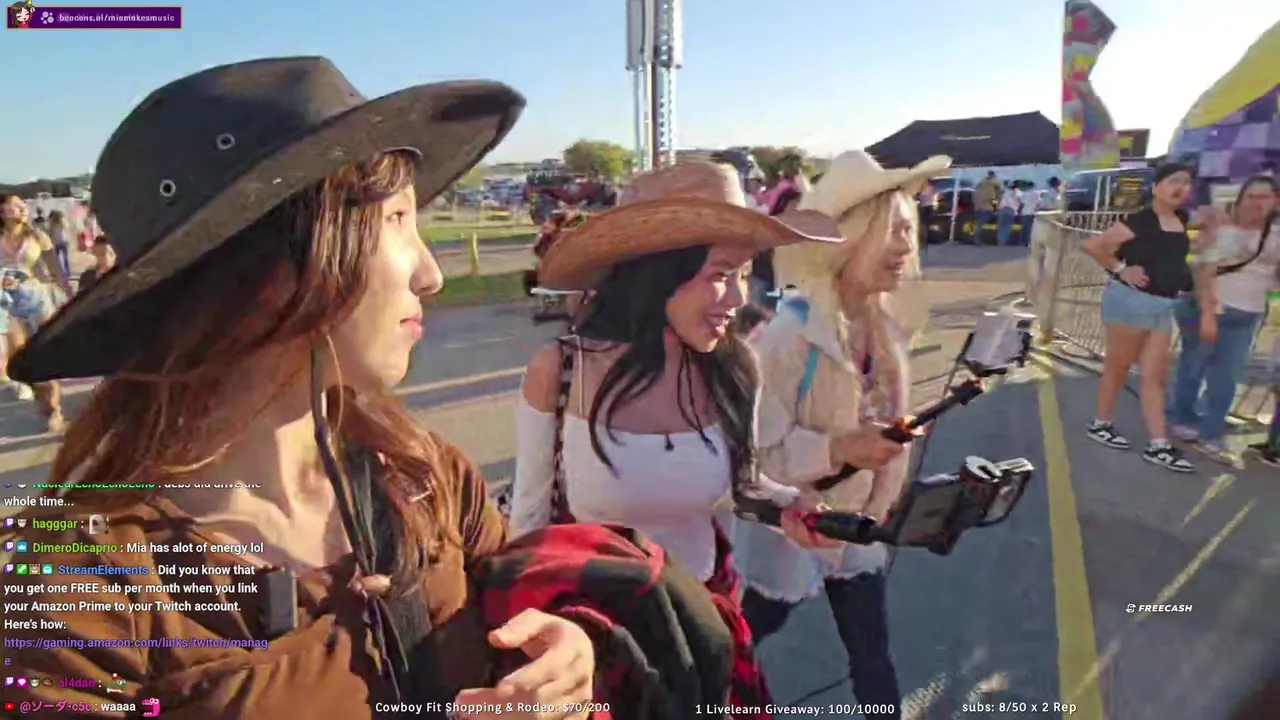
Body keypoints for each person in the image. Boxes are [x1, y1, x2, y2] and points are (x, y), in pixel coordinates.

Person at [0, 57, 604, 720]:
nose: (430, 274)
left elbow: (519, 614)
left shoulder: (421, 475)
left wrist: (561, 654)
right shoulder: (73, 588)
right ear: (267, 270)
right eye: (396, 220)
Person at [510, 161, 845, 717]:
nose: (738, 299)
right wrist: (530, 645)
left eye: (744, 274)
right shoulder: (561, 369)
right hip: (596, 642)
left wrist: (791, 506)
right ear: (660, 271)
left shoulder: (737, 367)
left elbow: (742, 487)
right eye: (720, 274)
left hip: (705, 625)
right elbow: (529, 523)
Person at [731, 149, 946, 718]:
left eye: (909, 229)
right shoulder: (789, 334)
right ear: (849, 239)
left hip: (857, 529)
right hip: (794, 529)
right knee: (743, 637)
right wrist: (841, 448)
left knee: (872, 654)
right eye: (890, 230)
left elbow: (888, 433)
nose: (905, 246)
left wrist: (883, 502)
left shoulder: (884, 326)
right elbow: (757, 456)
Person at [1082, 163, 1197, 472]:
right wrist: (1121, 269)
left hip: (1163, 305)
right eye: (1173, 181)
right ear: (1156, 187)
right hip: (1131, 303)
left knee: (1154, 375)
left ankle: (1158, 444)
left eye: (1186, 183)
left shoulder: (1181, 219)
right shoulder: (1141, 220)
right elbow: (1092, 245)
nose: (1180, 188)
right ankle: (1101, 424)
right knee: (1118, 366)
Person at [1170, 175, 1279, 462]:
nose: (1257, 203)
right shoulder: (1223, 227)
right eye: (1251, 196)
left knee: (1226, 376)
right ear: (1240, 199)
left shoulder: (1275, 234)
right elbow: (1203, 272)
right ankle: (1184, 418)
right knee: (1193, 366)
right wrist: (1208, 314)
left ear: (1275, 201)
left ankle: (1210, 433)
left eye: (1265, 197)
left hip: (1247, 314)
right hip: (1206, 308)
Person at [0, 193, 70, 430]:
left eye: (23, 205)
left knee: (43, 355)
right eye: (16, 205)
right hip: (5, 304)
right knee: (18, 359)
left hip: (35, 299)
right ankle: (40, 399)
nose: (23, 208)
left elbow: (55, 269)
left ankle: (53, 409)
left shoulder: (38, 236)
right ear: (2, 211)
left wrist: (69, 294)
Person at [972, 171, 1002, 244]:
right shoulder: (993, 186)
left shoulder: (981, 184)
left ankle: (976, 239)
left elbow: (975, 196)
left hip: (979, 207)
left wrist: (977, 206)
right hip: (988, 208)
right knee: (983, 223)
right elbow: (993, 198)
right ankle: (978, 240)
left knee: (979, 223)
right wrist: (995, 209)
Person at [46, 209, 73, 277]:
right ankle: (65, 272)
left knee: (59, 259)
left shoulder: (58, 223)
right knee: (63, 258)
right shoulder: (56, 223)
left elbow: (50, 233)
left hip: (60, 242)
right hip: (62, 242)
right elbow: (50, 233)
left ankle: (62, 272)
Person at [996, 181, 1022, 247]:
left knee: (1001, 227)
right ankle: (1003, 243)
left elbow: (998, 199)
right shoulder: (1019, 193)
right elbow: (1021, 202)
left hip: (1002, 210)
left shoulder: (1006, 192)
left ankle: (999, 242)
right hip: (1011, 211)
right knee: (1007, 228)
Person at [1019, 181, 1040, 246]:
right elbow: (1038, 204)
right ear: (1034, 186)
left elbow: (1022, 203)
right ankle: (1030, 242)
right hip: (1033, 212)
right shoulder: (1037, 193)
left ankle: (1024, 242)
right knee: (1031, 228)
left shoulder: (1025, 193)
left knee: (1025, 228)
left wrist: (1019, 210)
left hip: (1025, 212)